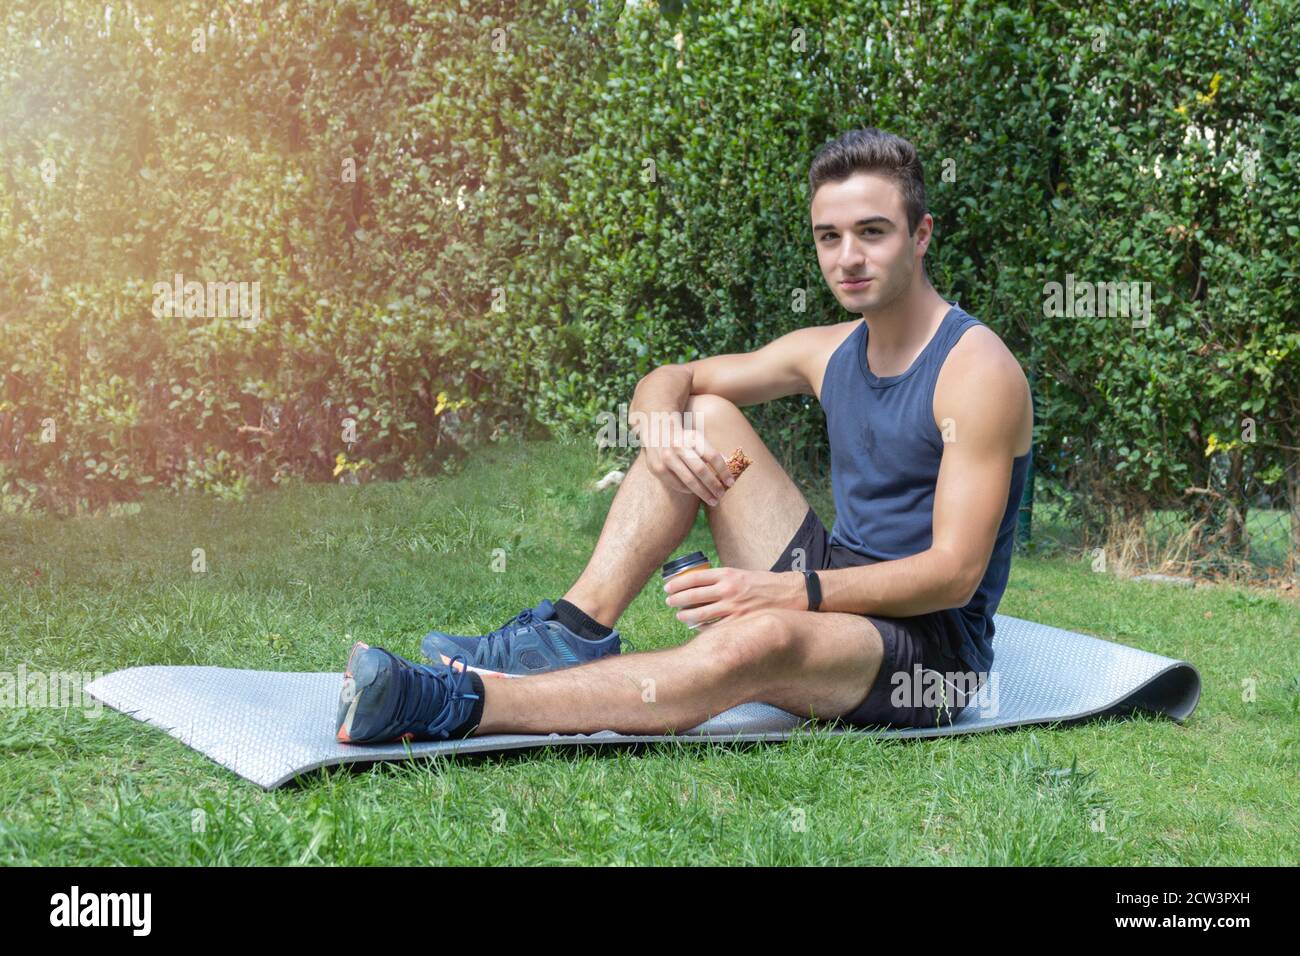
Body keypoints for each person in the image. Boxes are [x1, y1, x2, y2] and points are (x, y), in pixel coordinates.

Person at [335, 128, 1033, 746]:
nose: (847, 257)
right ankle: (574, 631)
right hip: (836, 580)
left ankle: (456, 701)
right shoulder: (830, 349)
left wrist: (786, 595)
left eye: (873, 232)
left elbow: (954, 573)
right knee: (700, 413)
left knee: (758, 637)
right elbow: (675, 375)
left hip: (933, 652)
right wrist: (656, 423)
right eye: (829, 237)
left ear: (920, 235)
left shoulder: (975, 372)